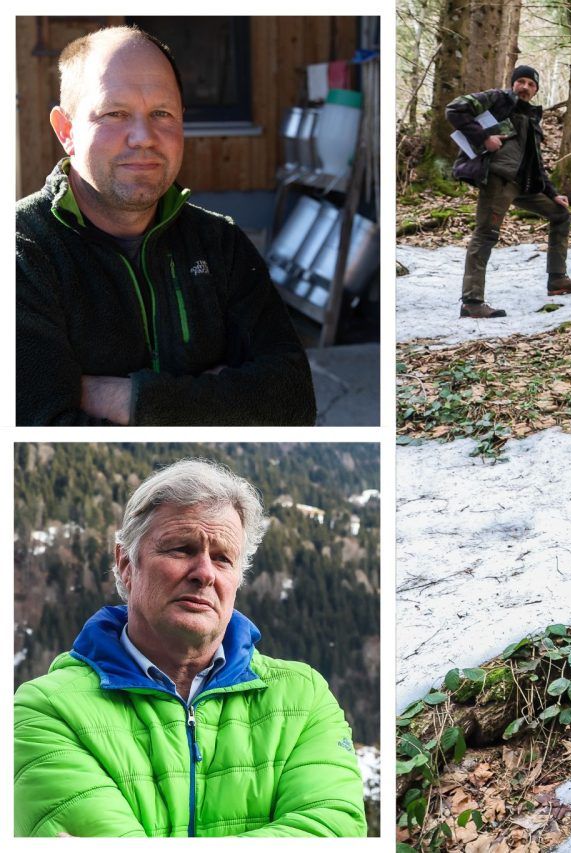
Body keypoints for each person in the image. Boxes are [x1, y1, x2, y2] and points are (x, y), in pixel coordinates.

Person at [14, 459, 367, 837]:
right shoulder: (46, 711)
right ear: (126, 564)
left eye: (222, 558)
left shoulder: (303, 697)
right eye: (181, 549)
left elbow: (333, 830)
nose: (205, 573)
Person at [17, 26, 317, 426]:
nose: (143, 137)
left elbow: (293, 402)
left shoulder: (220, 242)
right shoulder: (23, 251)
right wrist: (223, 397)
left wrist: (129, 398)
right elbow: (41, 424)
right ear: (66, 131)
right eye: (115, 113)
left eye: (162, 113)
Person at [448, 64, 571, 319]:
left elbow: (535, 162)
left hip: (523, 185)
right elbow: (455, 109)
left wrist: (552, 192)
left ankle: (557, 279)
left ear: (535, 90)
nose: (525, 87)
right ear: (513, 83)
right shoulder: (498, 100)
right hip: (498, 182)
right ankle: (471, 301)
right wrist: (483, 138)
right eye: (521, 81)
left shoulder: (532, 117)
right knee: (486, 235)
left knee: (560, 214)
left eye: (531, 84)